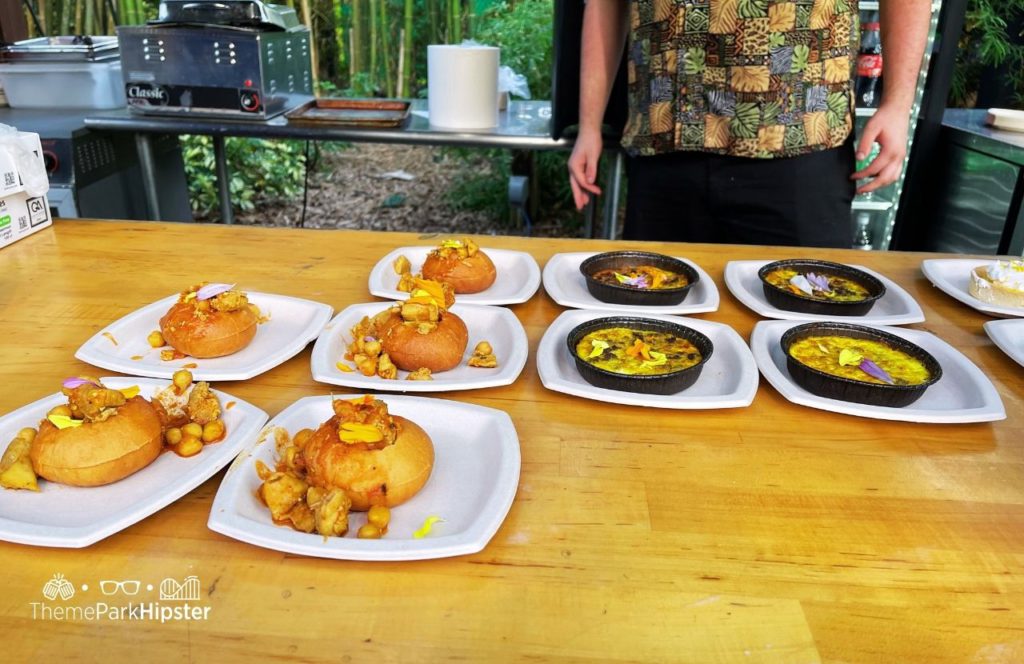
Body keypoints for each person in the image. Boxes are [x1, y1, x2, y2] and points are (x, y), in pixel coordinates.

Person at [567, 0, 933, 247]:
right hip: (665, 142)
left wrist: (898, 104)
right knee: (656, 326)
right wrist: (588, 125)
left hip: (798, 140)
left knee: (803, 325)